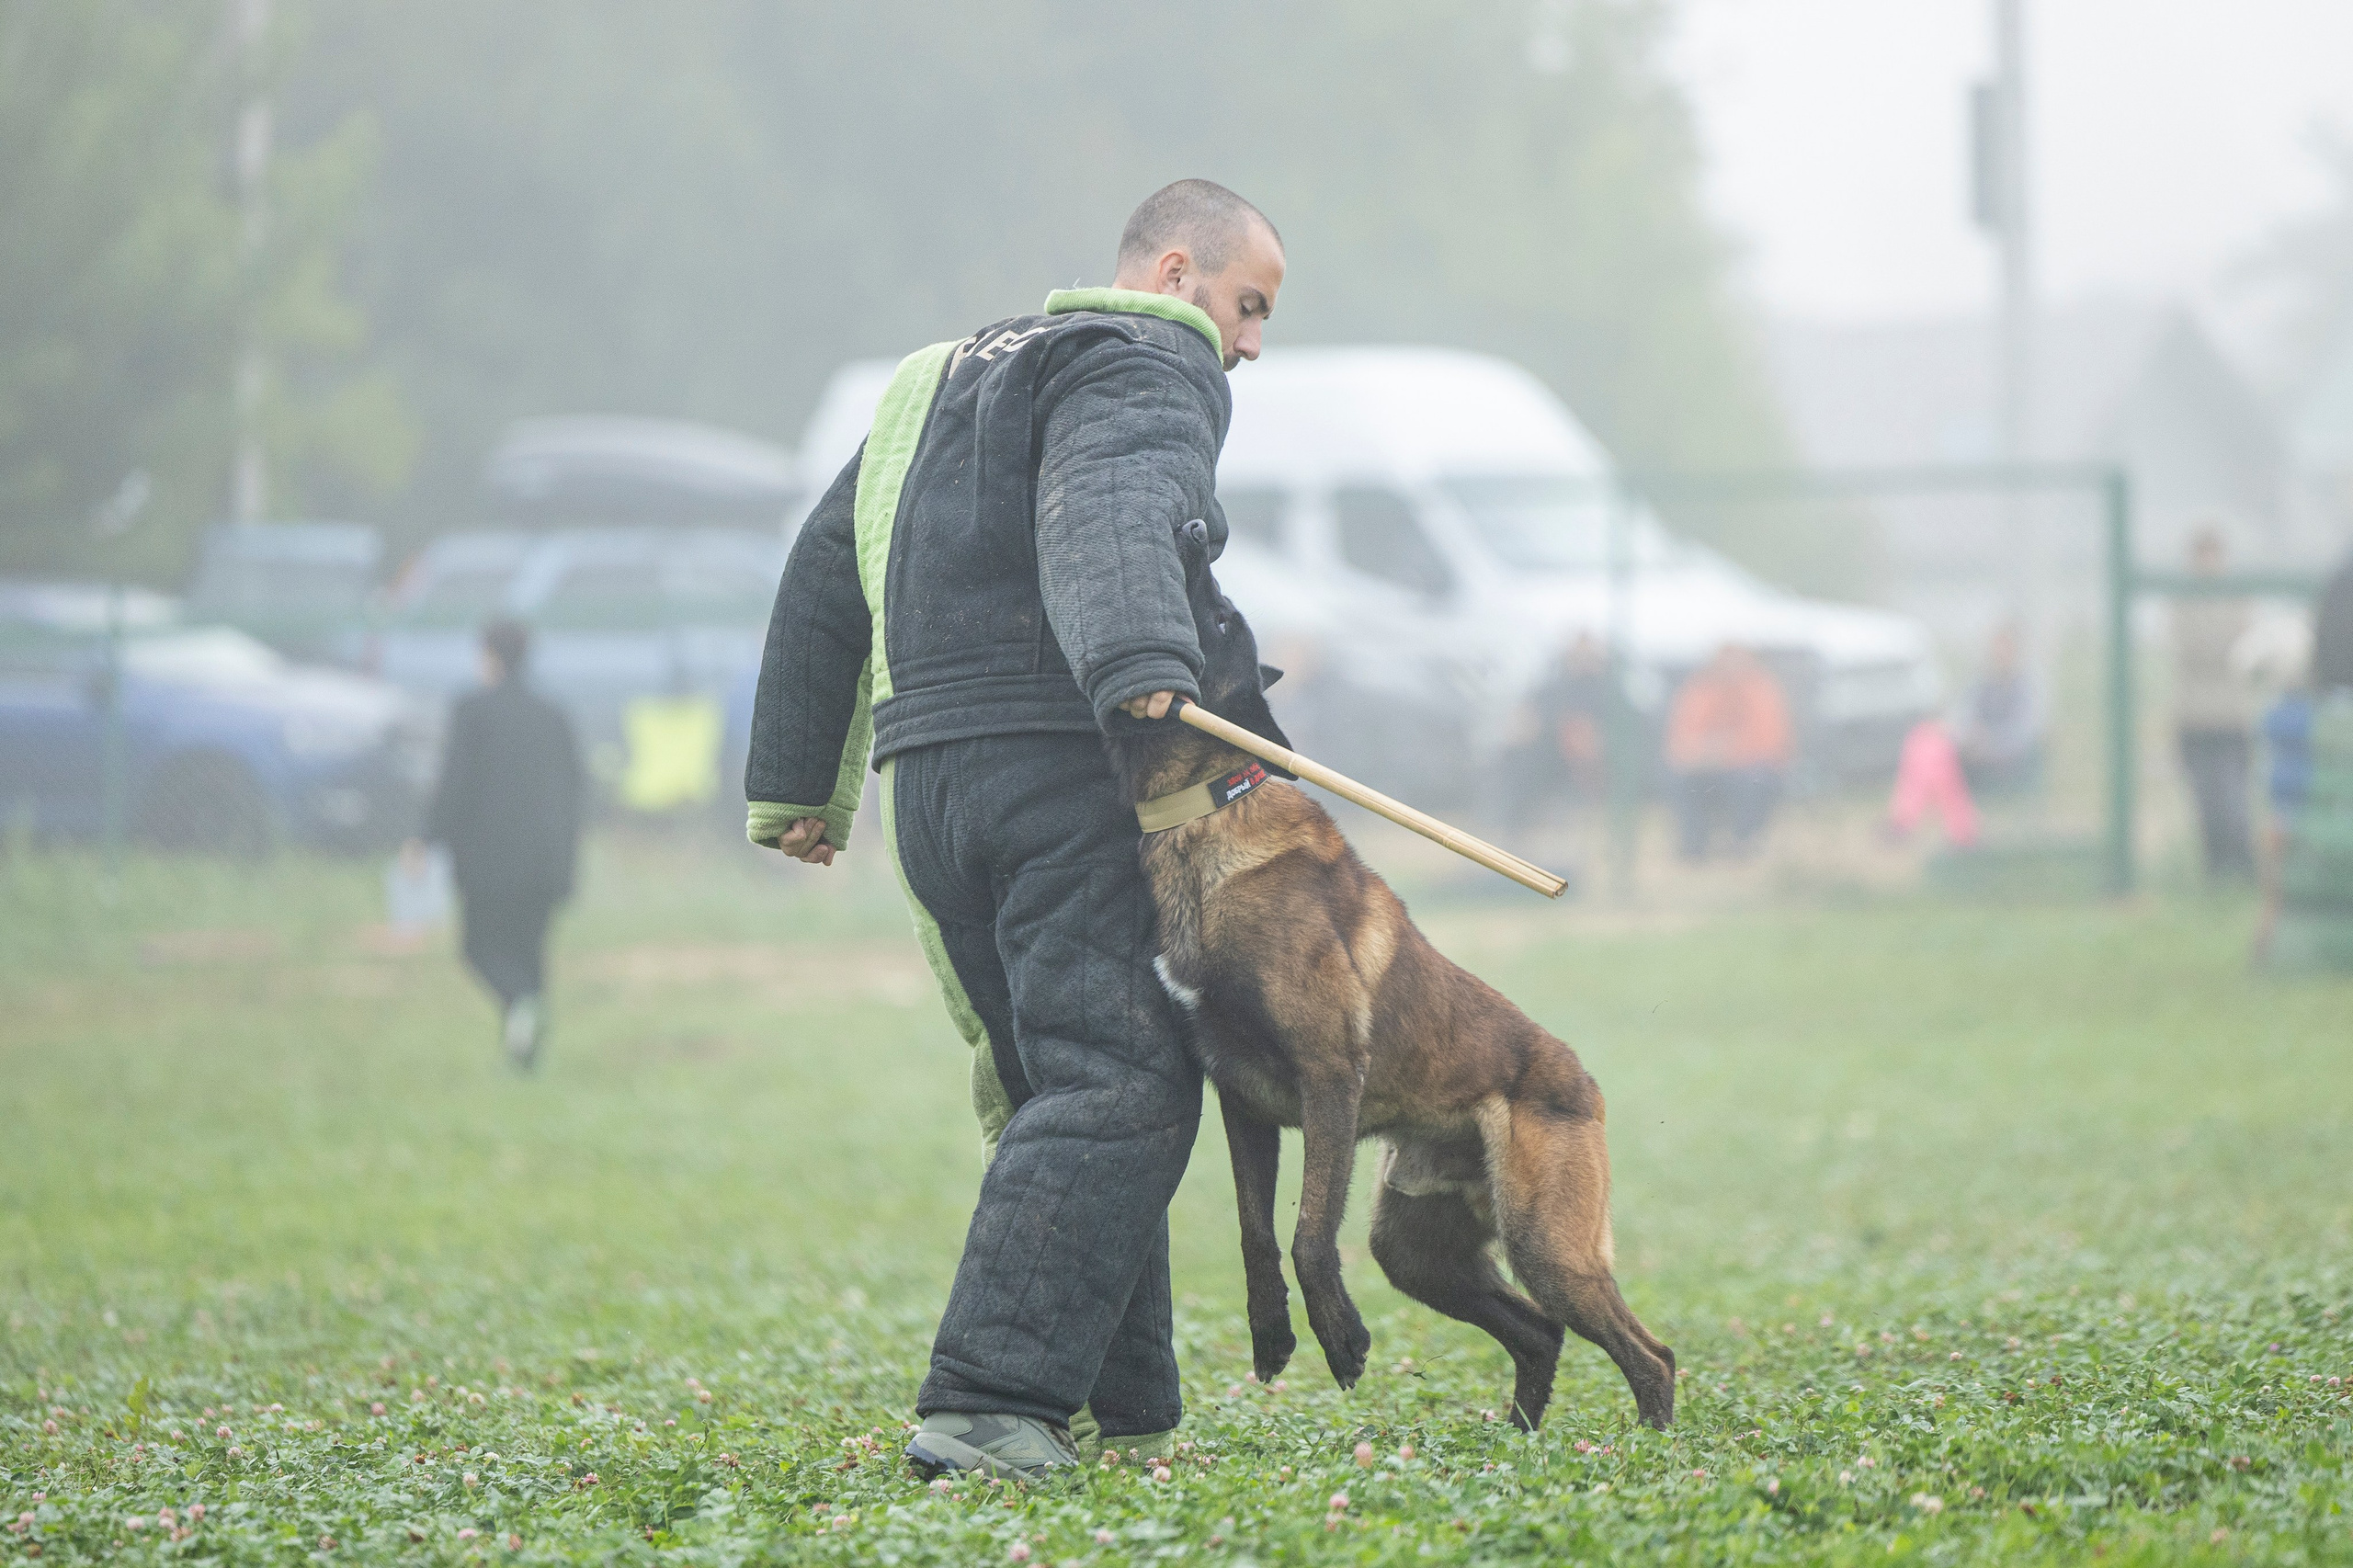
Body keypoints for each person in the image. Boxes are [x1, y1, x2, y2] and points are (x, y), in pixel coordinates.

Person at [745, 180, 1284, 1478]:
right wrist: (1143, 662)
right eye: (1248, 305)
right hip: (1060, 773)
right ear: (1173, 274)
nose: (1252, 343)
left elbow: (829, 562)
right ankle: (989, 1403)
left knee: (1065, 1082)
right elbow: (1107, 507)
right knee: (1126, 1077)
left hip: (937, 789)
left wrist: (803, 786)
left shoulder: (937, 380)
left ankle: (1122, 1402)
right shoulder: (1148, 357)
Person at [414, 619, 584, 1072]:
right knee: (529, 953)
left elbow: (454, 782)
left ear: (490, 655)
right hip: (545, 862)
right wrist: (568, 864)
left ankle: (520, 1007)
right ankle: (525, 1053)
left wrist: (425, 838)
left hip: (487, 863)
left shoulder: (472, 710)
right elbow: (576, 793)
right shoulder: (554, 714)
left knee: (479, 948)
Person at [2170, 527, 2256, 881]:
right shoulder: (2181, 599)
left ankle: (2244, 870)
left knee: (2234, 800)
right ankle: (2216, 873)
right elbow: (2190, 645)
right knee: (2206, 802)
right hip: (2193, 718)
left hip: (2232, 718)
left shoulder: (2237, 598)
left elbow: (2244, 647)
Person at [1664, 642, 1791, 861]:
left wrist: (1727, 751)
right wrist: (1702, 754)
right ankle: (1694, 847)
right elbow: (1680, 741)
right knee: (1680, 780)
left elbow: (1771, 741)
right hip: (1707, 770)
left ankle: (1745, 844)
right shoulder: (1701, 690)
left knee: (1755, 780)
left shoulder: (1760, 689)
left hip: (1750, 769)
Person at [1491, 632, 1612, 835]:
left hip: (1585, 759)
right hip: (1547, 752)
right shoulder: (1553, 686)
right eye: (1576, 654)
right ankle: (1514, 823)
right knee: (1516, 757)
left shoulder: (1607, 690)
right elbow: (1528, 716)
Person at [1952, 621, 2044, 795]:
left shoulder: (2026, 685)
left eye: (2006, 647)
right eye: (1997, 648)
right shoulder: (1982, 681)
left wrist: (1992, 741)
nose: (2000, 653)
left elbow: (2026, 730)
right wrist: (1972, 735)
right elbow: (1964, 715)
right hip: (1977, 752)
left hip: (2012, 756)